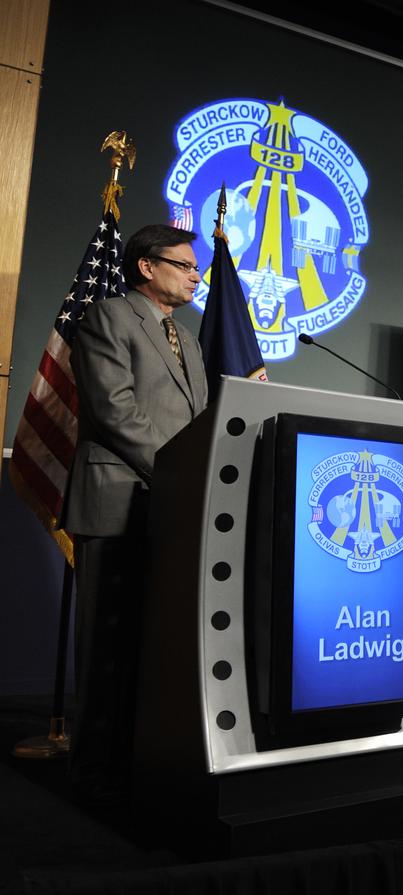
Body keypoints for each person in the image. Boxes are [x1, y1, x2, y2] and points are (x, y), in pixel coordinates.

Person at [62, 224, 210, 798]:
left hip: (171, 508)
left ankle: (137, 763)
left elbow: (198, 423)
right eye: (186, 265)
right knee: (107, 643)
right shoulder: (107, 318)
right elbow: (115, 410)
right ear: (147, 266)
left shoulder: (190, 340)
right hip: (118, 501)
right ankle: (93, 774)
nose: (196, 275)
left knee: (156, 643)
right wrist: (180, 472)